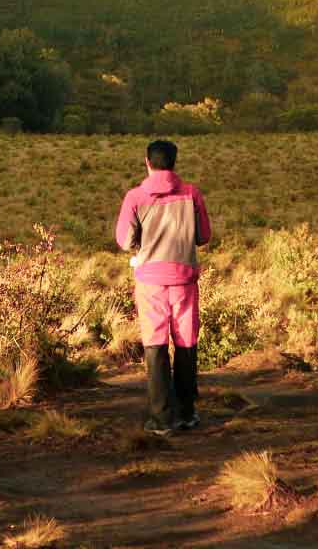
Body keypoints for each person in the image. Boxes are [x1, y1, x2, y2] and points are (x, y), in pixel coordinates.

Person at [115, 139, 212, 436]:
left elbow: (124, 241)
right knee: (185, 343)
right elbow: (204, 236)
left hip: (150, 282)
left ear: (147, 161)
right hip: (184, 279)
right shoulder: (192, 194)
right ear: (174, 162)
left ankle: (161, 418)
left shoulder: (134, 197)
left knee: (155, 345)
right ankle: (186, 412)